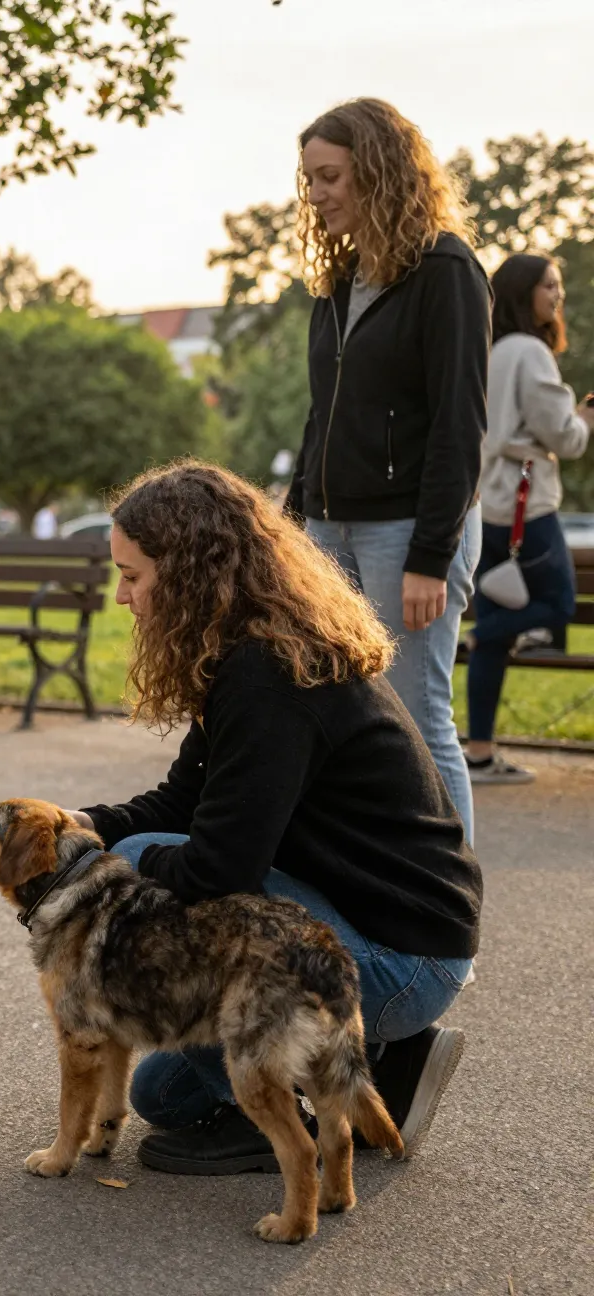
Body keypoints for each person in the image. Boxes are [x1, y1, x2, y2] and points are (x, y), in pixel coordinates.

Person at [77, 462, 480, 1175]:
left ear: (192, 572)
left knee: (140, 872)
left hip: (403, 958)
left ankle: (276, 1115)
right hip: (369, 930)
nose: (122, 596)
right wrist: (75, 824)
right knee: (161, 1097)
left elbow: (217, 868)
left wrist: (115, 859)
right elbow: (182, 804)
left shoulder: (270, 677)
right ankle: (384, 1062)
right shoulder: (247, 653)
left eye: (134, 576)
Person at [287, 99, 489, 841]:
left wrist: (431, 556)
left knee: (417, 720)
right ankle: (374, 901)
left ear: (378, 171)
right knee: (334, 721)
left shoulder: (446, 271)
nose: (318, 194)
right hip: (330, 532)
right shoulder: (340, 284)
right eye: (310, 179)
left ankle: (447, 926)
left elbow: (459, 426)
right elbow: (322, 417)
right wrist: (291, 530)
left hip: (408, 535)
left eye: (331, 176)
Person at [464, 254, 592, 784]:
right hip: (527, 507)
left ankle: (479, 752)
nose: (557, 296)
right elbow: (565, 438)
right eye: (549, 286)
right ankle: (470, 637)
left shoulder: (486, 348)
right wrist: (584, 421)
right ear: (524, 293)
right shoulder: (531, 354)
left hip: (486, 508)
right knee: (558, 603)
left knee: (496, 639)